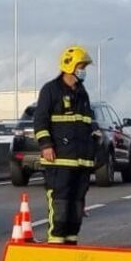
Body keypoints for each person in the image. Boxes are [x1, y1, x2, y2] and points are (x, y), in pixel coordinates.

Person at [33, 45, 99, 245]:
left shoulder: (82, 93)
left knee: (76, 207)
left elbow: (87, 124)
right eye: (81, 66)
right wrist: (46, 145)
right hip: (60, 161)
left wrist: (94, 147)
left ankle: (71, 245)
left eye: (85, 66)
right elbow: (40, 120)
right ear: (69, 66)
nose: (83, 70)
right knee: (60, 205)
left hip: (81, 163)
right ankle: (56, 246)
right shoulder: (51, 90)